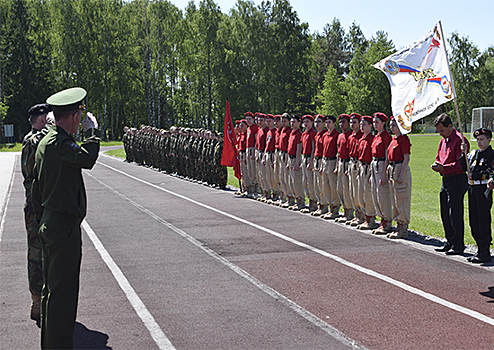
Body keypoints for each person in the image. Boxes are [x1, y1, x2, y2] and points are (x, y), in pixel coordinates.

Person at [32, 87, 101, 349]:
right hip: (62, 228)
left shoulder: (47, 141)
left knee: (52, 294)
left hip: (52, 222)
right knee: (62, 296)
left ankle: (51, 345)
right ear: (73, 116)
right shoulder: (59, 143)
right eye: (80, 116)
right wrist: (92, 131)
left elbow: (37, 190)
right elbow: (88, 158)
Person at [21, 103, 53, 321]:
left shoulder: (35, 138)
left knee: (43, 253)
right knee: (37, 255)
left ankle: (43, 301)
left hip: (39, 204)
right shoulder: (33, 139)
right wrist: (53, 128)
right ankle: (37, 302)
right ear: (42, 120)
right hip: (36, 206)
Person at [431, 113, 470, 255]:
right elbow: (438, 157)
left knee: (455, 212)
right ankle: (450, 240)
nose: (440, 134)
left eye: (442, 130)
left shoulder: (461, 141)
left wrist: (444, 168)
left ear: (450, 126)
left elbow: (461, 165)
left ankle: (458, 245)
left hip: (457, 179)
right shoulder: (443, 141)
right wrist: (437, 165)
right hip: (445, 179)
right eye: (438, 131)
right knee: (445, 211)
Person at [466, 128, 494, 263]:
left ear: (489, 140)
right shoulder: (474, 154)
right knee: (473, 221)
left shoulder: (491, 155)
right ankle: (479, 248)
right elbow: (464, 166)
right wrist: (462, 153)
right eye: (477, 140)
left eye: (482, 139)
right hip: (472, 189)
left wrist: (478, 175)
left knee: (483, 220)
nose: (479, 142)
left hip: (483, 189)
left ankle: (485, 252)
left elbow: (490, 171)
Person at [385, 116, 412, 239]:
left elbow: (406, 158)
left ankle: (403, 228)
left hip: (400, 168)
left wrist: (401, 174)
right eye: (391, 125)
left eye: (394, 125)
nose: (391, 127)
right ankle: (398, 226)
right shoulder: (393, 139)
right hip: (392, 168)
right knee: (394, 199)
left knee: (402, 199)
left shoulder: (404, 139)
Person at [370, 112, 393, 235]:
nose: (375, 124)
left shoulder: (386, 137)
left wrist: (384, 174)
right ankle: (382, 219)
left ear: (383, 123)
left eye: (377, 122)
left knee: (383, 194)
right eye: (374, 122)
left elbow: (386, 156)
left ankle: (387, 221)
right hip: (374, 164)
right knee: (375, 193)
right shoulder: (376, 136)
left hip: (382, 164)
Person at [356, 115, 378, 229]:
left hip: (368, 167)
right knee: (361, 194)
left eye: (364, 124)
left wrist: (370, 173)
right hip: (361, 167)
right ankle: (365, 216)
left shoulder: (372, 139)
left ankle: (371, 218)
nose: (362, 126)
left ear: (370, 126)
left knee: (368, 194)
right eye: (361, 124)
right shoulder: (361, 140)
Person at [286, 114, 304, 210]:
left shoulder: (298, 134)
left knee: (297, 182)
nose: (292, 123)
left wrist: (297, 163)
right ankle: (293, 200)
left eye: (294, 122)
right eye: (291, 122)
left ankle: (300, 202)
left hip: (295, 158)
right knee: (291, 181)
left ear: (299, 123)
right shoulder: (292, 133)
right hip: (290, 158)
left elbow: (298, 149)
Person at [300, 115, 317, 213]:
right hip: (304, 158)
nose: (306, 123)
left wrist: (311, 162)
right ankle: (309, 200)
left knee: (311, 182)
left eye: (308, 121)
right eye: (304, 121)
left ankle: (313, 203)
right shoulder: (304, 134)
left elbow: (313, 148)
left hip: (310, 158)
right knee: (305, 182)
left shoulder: (312, 133)